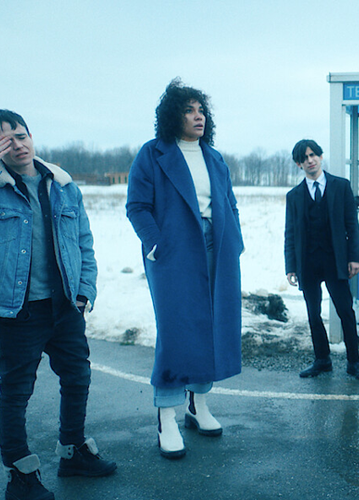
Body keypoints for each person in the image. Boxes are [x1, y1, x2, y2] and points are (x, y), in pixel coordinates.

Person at [0, 109, 116, 500]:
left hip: (65, 305)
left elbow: (83, 242)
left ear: (31, 135)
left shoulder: (63, 185)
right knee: (16, 391)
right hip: (18, 310)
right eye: (5, 141)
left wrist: (85, 291)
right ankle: (20, 475)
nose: (18, 145)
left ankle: (73, 452)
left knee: (78, 377)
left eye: (21, 135)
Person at [126, 79, 245, 459]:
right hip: (174, 253)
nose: (199, 116)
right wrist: (156, 244)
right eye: (189, 110)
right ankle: (166, 416)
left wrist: (235, 242)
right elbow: (136, 206)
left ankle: (198, 404)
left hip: (217, 249)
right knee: (177, 331)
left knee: (212, 327)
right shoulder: (153, 154)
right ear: (172, 116)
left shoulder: (214, 157)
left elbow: (229, 203)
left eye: (202, 110)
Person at [284, 139, 359, 381]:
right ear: (299, 164)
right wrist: (290, 266)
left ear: (320, 157)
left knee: (345, 310)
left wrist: (354, 258)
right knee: (313, 313)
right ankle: (322, 360)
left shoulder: (341, 187)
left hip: (336, 261)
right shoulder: (294, 196)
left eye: (313, 155)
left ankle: (354, 362)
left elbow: (352, 225)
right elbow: (290, 232)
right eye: (304, 158)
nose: (310, 160)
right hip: (308, 263)